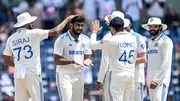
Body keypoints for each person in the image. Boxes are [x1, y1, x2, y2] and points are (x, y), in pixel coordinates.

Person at [3, 12, 76, 101]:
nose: (32, 24)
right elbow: (55, 31)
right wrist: (67, 19)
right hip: (32, 72)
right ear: (27, 23)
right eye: (31, 22)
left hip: (18, 74)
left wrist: (20, 65)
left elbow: (6, 60)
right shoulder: (33, 33)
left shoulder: (11, 38)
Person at [90, 17, 138, 101]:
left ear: (112, 28)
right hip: (131, 75)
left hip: (117, 76)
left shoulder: (111, 40)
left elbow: (92, 45)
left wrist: (94, 32)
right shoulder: (133, 39)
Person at [54, 16, 92, 101]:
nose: (80, 28)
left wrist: (87, 61)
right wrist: (73, 61)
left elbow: (87, 56)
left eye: (82, 25)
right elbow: (56, 60)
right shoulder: (61, 39)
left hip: (78, 74)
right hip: (64, 75)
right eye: (77, 25)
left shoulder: (86, 39)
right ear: (71, 26)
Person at [96, 11, 130, 101]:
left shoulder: (108, 38)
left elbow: (105, 60)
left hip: (112, 74)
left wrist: (100, 80)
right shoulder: (130, 37)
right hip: (129, 74)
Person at [142, 17, 173, 101]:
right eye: (150, 26)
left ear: (160, 27)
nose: (152, 28)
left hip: (160, 81)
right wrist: (149, 79)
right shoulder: (150, 41)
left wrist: (156, 80)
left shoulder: (166, 41)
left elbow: (166, 62)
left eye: (154, 26)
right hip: (151, 80)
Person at [125, 14, 146, 101]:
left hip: (136, 78)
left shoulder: (138, 37)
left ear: (130, 24)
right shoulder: (119, 37)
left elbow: (143, 58)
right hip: (125, 77)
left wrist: (127, 62)